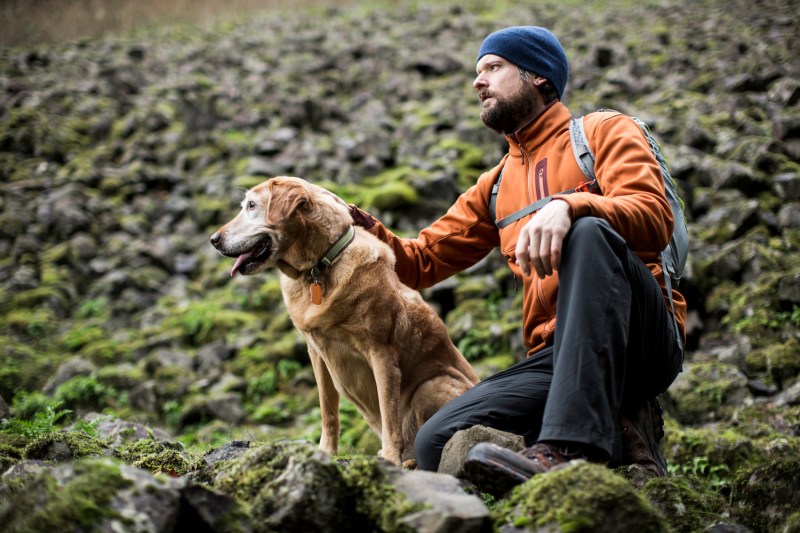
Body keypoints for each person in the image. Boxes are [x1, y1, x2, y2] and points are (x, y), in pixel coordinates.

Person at [348, 26, 685, 495]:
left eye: (493, 67)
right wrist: (352, 228)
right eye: (477, 71)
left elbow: (653, 218)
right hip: (558, 356)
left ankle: (571, 448)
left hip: (640, 338)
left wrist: (570, 206)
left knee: (587, 233)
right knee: (435, 441)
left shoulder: (602, 132)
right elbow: (419, 262)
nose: (477, 81)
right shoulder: (496, 185)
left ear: (539, 77)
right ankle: (607, 434)